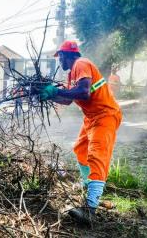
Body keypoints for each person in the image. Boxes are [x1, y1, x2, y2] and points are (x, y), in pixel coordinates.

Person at [37, 40, 122, 225]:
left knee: (97, 157)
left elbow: (83, 92)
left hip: (105, 115)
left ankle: (90, 210)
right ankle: (89, 187)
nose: (60, 62)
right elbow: (68, 100)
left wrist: (55, 91)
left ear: (68, 55)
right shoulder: (72, 76)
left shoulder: (81, 63)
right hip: (92, 117)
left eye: (60, 57)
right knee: (80, 150)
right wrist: (50, 95)